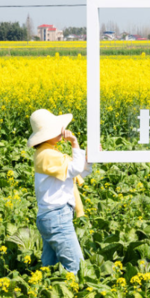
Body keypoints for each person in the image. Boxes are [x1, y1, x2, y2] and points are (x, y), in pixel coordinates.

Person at [28, 109, 94, 273]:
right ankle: (72, 295)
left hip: (50, 216)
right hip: (56, 217)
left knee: (49, 266)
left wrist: (89, 158)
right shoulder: (47, 155)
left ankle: (45, 293)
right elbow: (74, 169)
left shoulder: (48, 153)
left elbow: (76, 171)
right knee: (76, 267)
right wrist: (74, 143)